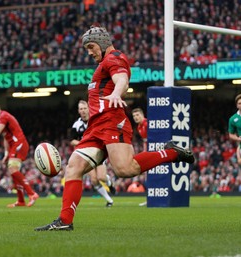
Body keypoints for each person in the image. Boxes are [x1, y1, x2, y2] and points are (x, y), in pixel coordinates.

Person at [34, 24, 194, 231]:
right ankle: (65, 221)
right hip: (95, 127)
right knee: (73, 168)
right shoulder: (101, 66)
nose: (89, 52)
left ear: (102, 43)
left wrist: (118, 93)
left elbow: (122, 79)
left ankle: (172, 152)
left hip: (111, 121)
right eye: (87, 49)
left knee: (125, 169)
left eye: (91, 47)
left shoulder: (114, 58)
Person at [70, 100, 115, 207]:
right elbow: (72, 140)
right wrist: (84, 143)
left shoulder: (95, 120)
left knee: (101, 177)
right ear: (78, 111)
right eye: (81, 109)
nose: (83, 111)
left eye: (85, 108)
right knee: (94, 180)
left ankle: (110, 183)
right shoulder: (76, 125)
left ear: (89, 108)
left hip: (98, 152)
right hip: (86, 155)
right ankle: (109, 200)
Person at [132, 107, 148, 206]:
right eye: (134, 116)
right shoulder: (139, 127)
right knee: (147, 177)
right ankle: (149, 198)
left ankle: (152, 198)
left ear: (142, 115)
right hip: (147, 152)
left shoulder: (147, 124)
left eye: (137, 115)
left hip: (153, 152)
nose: (136, 117)